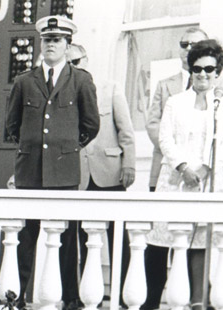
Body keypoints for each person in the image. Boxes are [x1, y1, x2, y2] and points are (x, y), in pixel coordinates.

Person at [3, 14, 99, 310]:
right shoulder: (24, 81)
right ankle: (15, 297)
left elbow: (91, 124)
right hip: (30, 172)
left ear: (68, 45)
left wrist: (65, 148)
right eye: (46, 40)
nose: (50, 45)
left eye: (57, 40)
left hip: (64, 172)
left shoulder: (80, 80)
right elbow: (11, 125)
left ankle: (71, 298)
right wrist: (35, 150)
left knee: (68, 239)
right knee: (25, 237)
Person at [145, 38, 223, 310]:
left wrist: (205, 167)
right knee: (175, 240)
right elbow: (165, 138)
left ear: (218, 71)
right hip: (177, 180)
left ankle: (198, 302)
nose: (202, 74)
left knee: (200, 243)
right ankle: (173, 303)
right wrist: (183, 167)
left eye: (208, 68)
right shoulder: (175, 102)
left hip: (209, 180)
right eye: (197, 68)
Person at [73, 45, 135, 297]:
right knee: (83, 238)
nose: (73, 66)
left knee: (118, 234)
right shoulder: (62, 94)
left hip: (110, 171)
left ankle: (124, 291)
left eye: (76, 60)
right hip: (79, 176)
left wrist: (129, 163)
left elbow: (126, 130)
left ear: (86, 59)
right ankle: (90, 292)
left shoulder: (110, 88)